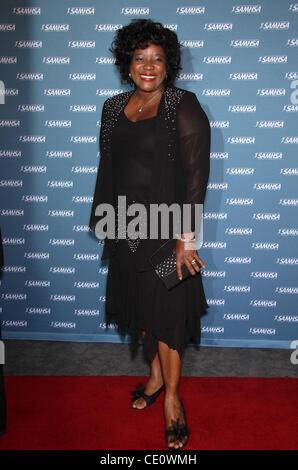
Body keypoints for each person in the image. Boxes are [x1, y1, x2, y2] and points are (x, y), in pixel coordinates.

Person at [89, 19, 210, 450]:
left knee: (166, 318)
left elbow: (196, 176)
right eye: (140, 57)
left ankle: (172, 400)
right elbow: (110, 167)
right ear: (126, 62)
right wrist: (107, 222)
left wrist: (186, 237)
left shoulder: (183, 104)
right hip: (125, 227)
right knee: (142, 315)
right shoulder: (112, 106)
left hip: (167, 229)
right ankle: (156, 376)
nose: (148, 66)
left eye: (157, 59)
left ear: (169, 65)